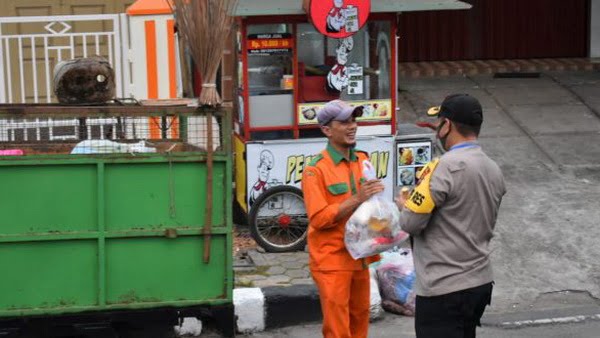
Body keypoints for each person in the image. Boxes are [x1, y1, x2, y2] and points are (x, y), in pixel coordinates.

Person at [395, 94, 506, 338]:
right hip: (480, 282)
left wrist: (405, 205)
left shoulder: (441, 167)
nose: (436, 129)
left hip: (443, 287)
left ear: (448, 125)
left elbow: (410, 223)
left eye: (439, 123)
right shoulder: (493, 168)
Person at [301, 100, 384, 338]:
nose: (352, 126)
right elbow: (318, 219)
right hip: (332, 259)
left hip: (361, 256)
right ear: (327, 129)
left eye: (354, 121)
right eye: (345, 122)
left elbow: (371, 208)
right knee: (338, 330)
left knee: (360, 321)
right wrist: (357, 198)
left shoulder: (362, 160)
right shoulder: (314, 170)